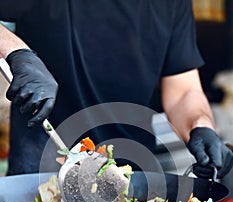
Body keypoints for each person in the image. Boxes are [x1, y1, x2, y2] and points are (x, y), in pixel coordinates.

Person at [0, 0, 232, 178]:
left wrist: (201, 127)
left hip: (132, 179)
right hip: (41, 174)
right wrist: (17, 52)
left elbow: (183, 91)